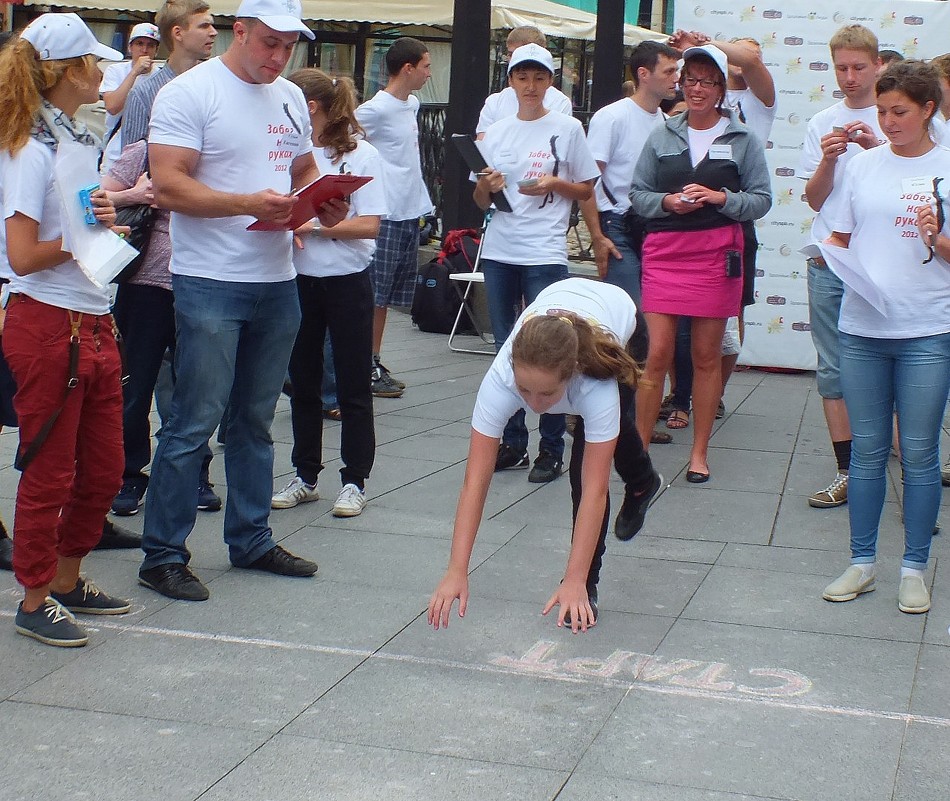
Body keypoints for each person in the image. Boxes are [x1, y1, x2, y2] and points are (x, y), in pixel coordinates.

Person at [138, 0, 337, 601]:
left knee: (253, 419)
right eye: (268, 43)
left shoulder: (288, 97)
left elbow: (302, 167)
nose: (279, 58)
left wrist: (322, 200)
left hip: (276, 277)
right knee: (193, 419)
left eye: (289, 47)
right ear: (240, 30)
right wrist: (248, 202)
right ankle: (163, 554)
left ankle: (250, 537)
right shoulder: (190, 91)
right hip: (209, 278)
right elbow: (167, 185)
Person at [0, 13, 131, 647]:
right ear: (67, 70)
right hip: (48, 317)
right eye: (92, 63)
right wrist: (84, 239)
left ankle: (68, 579)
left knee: (105, 467)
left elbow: (72, 228)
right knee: (50, 468)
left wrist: (99, 220)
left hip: (90, 315)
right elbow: (23, 255)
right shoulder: (30, 149)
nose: (101, 72)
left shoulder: (72, 138)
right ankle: (34, 595)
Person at [428, 278, 660, 633]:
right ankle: (643, 479)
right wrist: (456, 569)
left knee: (586, 462)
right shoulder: (501, 378)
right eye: (525, 391)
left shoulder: (594, 383)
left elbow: (595, 491)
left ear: (570, 378)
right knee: (610, 427)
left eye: (546, 394)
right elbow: (475, 481)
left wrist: (574, 578)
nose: (535, 405)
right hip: (561, 320)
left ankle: (586, 585)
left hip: (623, 323)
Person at [819, 60, 950, 615]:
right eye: (881, 111)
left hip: (926, 328)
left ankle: (914, 567)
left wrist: (937, 240)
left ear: (928, 110)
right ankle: (862, 562)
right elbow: (840, 233)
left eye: (900, 111)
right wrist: (832, 254)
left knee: (919, 455)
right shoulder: (863, 166)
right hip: (863, 326)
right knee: (868, 455)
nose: (889, 121)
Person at [630, 44, 772, 483]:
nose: (696, 88)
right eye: (689, 79)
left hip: (716, 253)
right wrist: (668, 202)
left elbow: (762, 200)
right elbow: (637, 195)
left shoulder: (743, 139)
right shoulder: (662, 134)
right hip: (665, 251)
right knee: (656, 353)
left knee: (707, 355)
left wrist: (720, 198)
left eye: (707, 81)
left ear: (721, 88)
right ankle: (636, 454)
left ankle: (699, 452)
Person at [103, 0, 220, 518]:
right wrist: (137, 195)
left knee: (195, 390)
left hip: (200, 279)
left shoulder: (213, 158)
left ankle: (194, 473)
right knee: (137, 383)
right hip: (146, 283)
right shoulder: (140, 152)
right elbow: (98, 201)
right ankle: (129, 474)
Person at [475, 43, 601, 484]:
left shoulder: (567, 128)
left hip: (545, 250)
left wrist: (553, 182)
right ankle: (513, 442)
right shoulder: (496, 131)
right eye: (522, 78)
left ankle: (551, 447)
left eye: (539, 78)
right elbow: (480, 199)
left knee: (551, 348)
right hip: (500, 248)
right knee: (504, 346)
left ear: (551, 82)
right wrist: (487, 186)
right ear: (510, 81)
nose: (531, 86)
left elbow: (586, 190)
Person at [270, 68, 386, 517]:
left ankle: (355, 479)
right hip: (298, 277)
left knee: (354, 381)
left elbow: (370, 224)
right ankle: (306, 474)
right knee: (304, 380)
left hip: (347, 278)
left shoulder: (361, 155)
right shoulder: (289, 152)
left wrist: (314, 226)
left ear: (310, 107)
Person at [799, 25, 884, 509]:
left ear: (876, 65)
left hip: (883, 261)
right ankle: (847, 470)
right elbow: (813, 200)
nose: (849, 77)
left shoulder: (896, 115)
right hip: (830, 258)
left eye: (858, 67)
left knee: (893, 360)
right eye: (841, 68)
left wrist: (874, 149)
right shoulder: (821, 121)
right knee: (832, 369)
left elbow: (911, 180)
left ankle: (893, 462)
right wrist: (829, 161)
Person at [355, 37, 433, 399]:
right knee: (374, 292)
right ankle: (361, 364)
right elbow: (346, 132)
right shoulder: (377, 109)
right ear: (408, 68)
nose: (429, 73)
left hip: (408, 209)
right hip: (385, 212)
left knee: (385, 296)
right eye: (426, 66)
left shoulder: (411, 104)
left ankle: (372, 357)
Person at [121, 0, 218, 148]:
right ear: (178, 33)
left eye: (212, 25)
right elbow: (132, 163)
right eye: (204, 26)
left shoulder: (216, 84)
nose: (213, 32)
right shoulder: (143, 94)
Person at [475, 25, 572, 140]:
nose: (515, 59)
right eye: (511, 54)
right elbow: (483, 144)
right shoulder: (495, 102)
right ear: (510, 80)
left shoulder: (560, 102)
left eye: (539, 78)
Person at [99, 22, 160, 172]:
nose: (144, 50)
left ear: (156, 51)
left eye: (150, 45)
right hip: (116, 152)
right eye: (139, 44)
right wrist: (134, 73)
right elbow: (112, 107)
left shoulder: (161, 76)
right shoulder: (115, 70)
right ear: (130, 47)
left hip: (148, 155)